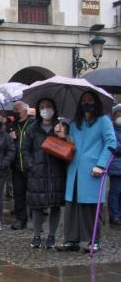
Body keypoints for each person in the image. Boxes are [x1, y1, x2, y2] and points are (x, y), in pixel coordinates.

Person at [56, 91, 116, 253]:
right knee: (73, 206)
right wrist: (64, 137)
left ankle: (93, 240)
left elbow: (111, 143)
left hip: (93, 170)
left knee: (91, 207)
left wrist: (101, 165)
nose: (86, 103)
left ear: (96, 102)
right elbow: (72, 143)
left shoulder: (103, 121)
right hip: (75, 169)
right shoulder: (76, 122)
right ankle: (71, 240)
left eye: (89, 100)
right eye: (83, 100)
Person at [21, 98, 68, 249]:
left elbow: (69, 147)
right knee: (37, 206)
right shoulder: (32, 128)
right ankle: (36, 235)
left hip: (56, 172)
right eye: (42, 107)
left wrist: (63, 136)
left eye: (48, 106)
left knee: (55, 205)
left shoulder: (61, 127)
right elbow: (25, 149)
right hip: (37, 172)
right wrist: (30, 165)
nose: (46, 109)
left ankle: (52, 236)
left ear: (54, 109)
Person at [9, 101, 34, 230]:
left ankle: (36, 221)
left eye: (17, 109)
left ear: (25, 110)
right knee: (18, 194)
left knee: (33, 194)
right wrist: (10, 139)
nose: (15, 112)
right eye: (14, 109)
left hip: (30, 166)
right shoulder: (12, 126)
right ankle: (20, 219)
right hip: (17, 166)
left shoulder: (33, 124)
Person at [108, 104, 121, 226]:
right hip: (116, 166)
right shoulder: (111, 129)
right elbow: (113, 145)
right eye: (119, 114)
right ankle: (114, 215)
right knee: (115, 191)